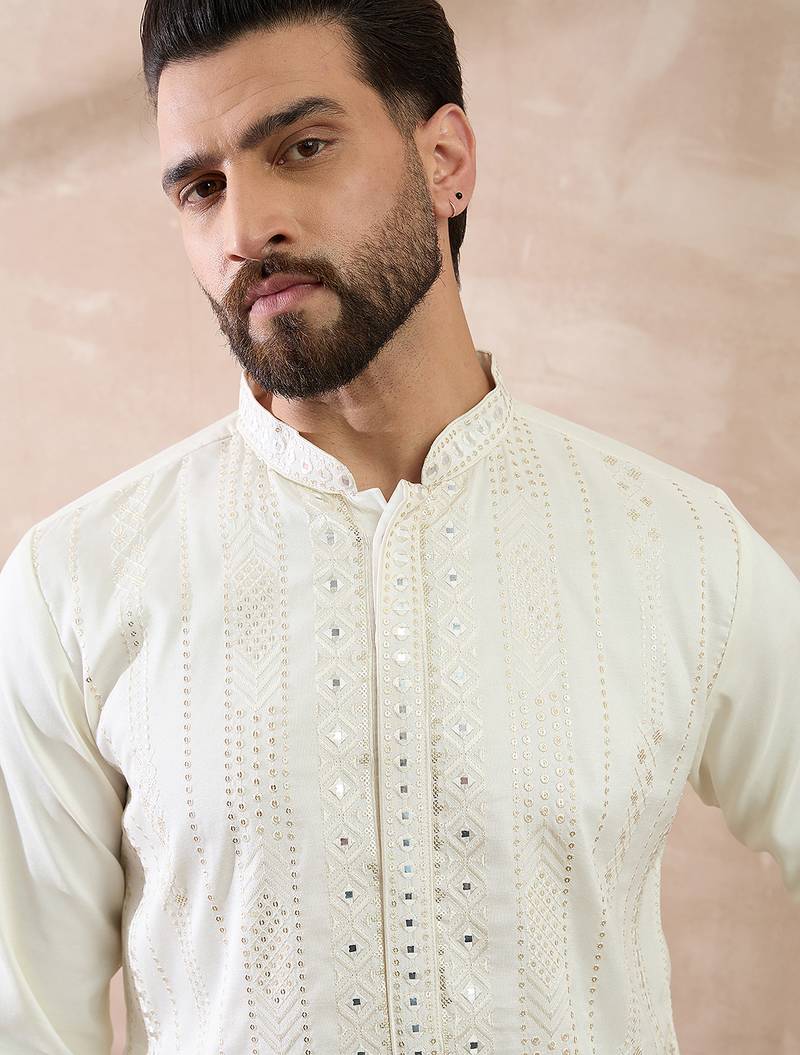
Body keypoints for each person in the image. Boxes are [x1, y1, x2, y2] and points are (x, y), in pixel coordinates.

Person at [1, 2, 798, 1052]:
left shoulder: (674, 546)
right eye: (202, 187)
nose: (244, 229)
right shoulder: (77, 586)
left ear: (445, 160)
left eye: (302, 146)